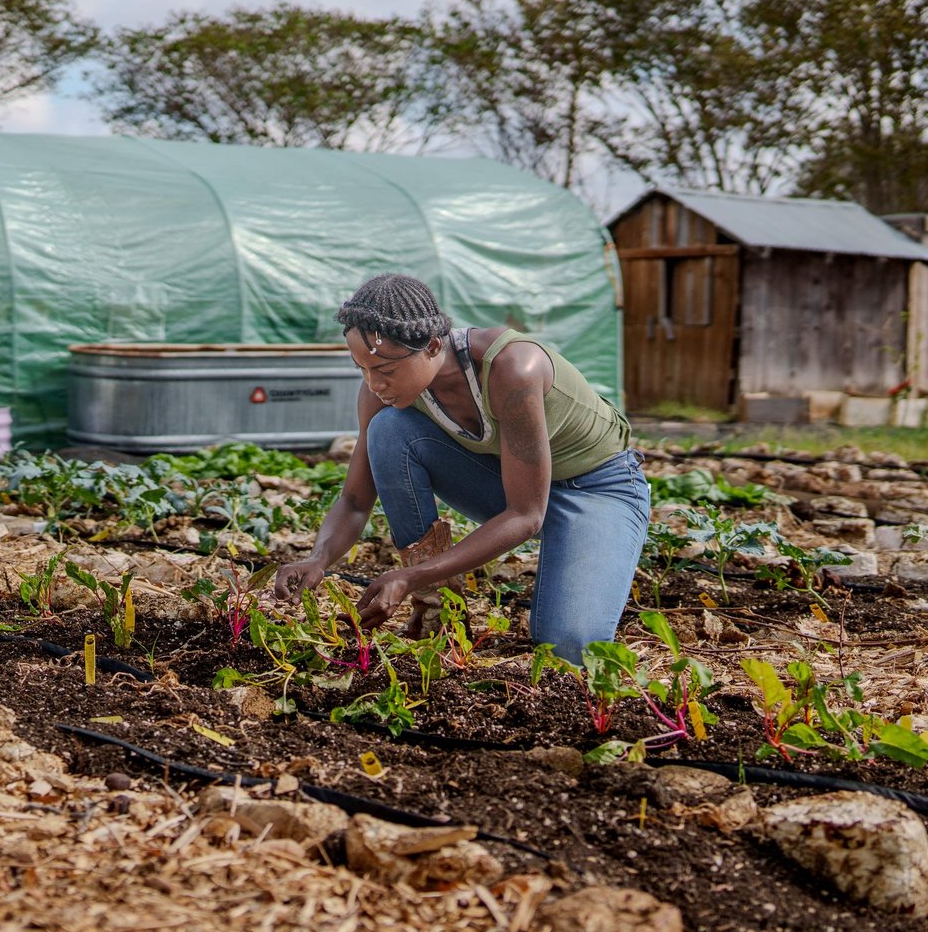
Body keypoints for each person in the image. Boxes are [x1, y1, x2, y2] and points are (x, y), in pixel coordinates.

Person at [273, 273, 649, 663]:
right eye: (362, 369)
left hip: (597, 491)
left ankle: (590, 543)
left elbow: (525, 515)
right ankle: (438, 613)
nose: (374, 383)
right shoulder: (379, 392)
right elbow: (354, 501)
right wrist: (318, 558)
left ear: (433, 346)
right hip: (515, 487)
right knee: (387, 430)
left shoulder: (512, 368)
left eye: (385, 370)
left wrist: (411, 574)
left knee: (568, 647)